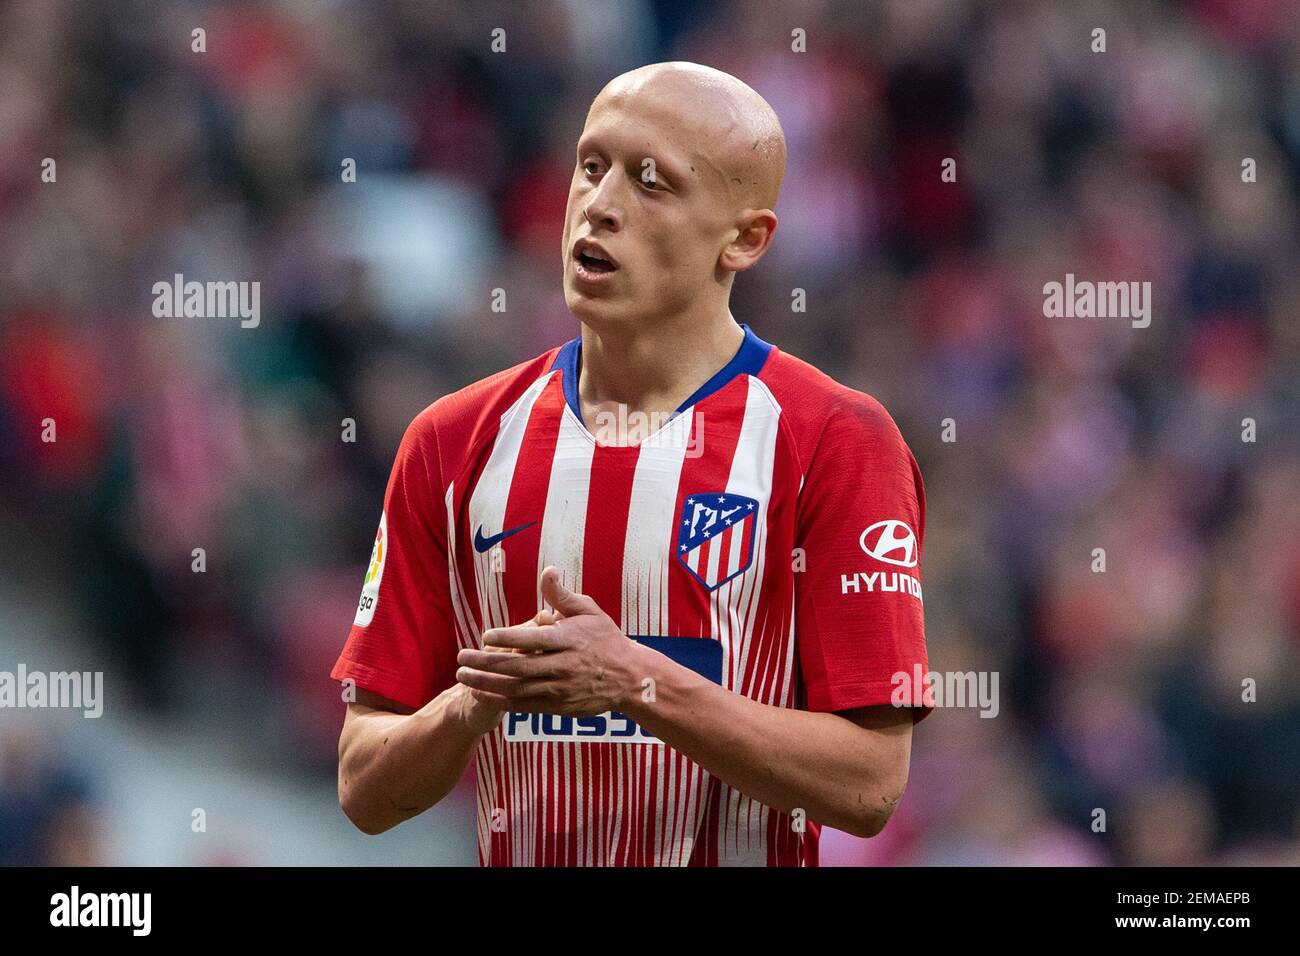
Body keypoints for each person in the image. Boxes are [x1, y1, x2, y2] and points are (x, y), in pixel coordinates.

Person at [332, 61, 931, 866]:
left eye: (652, 183)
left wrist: (635, 683)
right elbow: (364, 788)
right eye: (591, 166)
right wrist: (472, 703)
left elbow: (870, 784)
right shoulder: (452, 441)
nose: (601, 205)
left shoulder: (835, 440)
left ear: (746, 239)